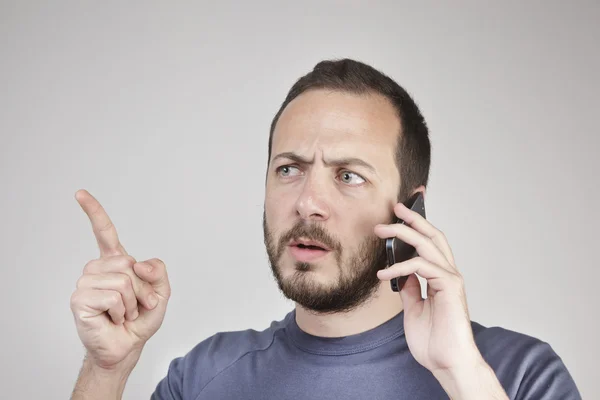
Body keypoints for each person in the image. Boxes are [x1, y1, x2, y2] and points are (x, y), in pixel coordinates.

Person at [69, 59, 581, 399]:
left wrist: (460, 375)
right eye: (288, 169)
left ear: (412, 210)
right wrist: (106, 370)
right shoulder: (203, 377)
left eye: (349, 175)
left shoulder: (517, 376)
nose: (308, 203)